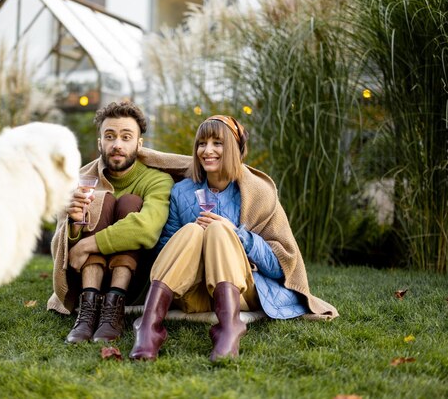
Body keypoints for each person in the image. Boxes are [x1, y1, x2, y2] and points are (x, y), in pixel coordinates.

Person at [129, 115, 339, 362]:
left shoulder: (256, 194)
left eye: (217, 143)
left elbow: (281, 266)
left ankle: (229, 327)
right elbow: (164, 250)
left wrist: (237, 234)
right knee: (192, 231)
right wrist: (193, 244)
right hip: (193, 294)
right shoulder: (181, 191)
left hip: (239, 293)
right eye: (202, 143)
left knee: (219, 230)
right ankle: (149, 328)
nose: (207, 151)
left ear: (235, 149)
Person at [47, 101, 191, 344]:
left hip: (135, 282)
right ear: (100, 142)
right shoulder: (83, 180)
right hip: (86, 278)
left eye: (126, 137)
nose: (117, 145)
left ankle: (113, 309)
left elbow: (146, 229)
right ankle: (88, 310)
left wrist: (87, 245)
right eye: (110, 136)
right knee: (100, 200)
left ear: (139, 144)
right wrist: (72, 225)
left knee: (129, 203)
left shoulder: (156, 180)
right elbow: (63, 247)